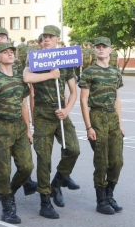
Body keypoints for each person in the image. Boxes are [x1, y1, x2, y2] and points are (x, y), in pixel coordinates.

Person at [0, 42, 45, 223]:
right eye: (5, 52)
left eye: (11, 51)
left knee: (27, 167)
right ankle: (8, 207)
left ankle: (10, 190)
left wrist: (28, 128)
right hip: (1, 128)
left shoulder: (20, 79)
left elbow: (23, 105)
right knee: (3, 171)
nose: (10, 54)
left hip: (19, 127)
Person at [23, 25, 81, 209]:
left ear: (57, 40)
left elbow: (73, 92)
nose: (47, 39)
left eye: (51, 36)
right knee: (44, 158)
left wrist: (67, 110)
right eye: (44, 37)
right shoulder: (36, 59)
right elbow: (27, 78)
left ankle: (58, 181)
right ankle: (45, 199)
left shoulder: (66, 60)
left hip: (61, 112)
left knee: (73, 149)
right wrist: (50, 74)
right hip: (42, 113)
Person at [79, 37, 125, 215]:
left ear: (110, 50)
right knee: (102, 161)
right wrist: (89, 127)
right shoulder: (89, 72)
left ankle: (109, 194)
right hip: (97, 116)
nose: (100, 49)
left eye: (104, 47)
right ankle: (101, 200)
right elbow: (83, 101)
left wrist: (120, 123)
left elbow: (118, 99)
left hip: (112, 116)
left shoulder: (115, 72)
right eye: (97, 47)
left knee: (117, 161)